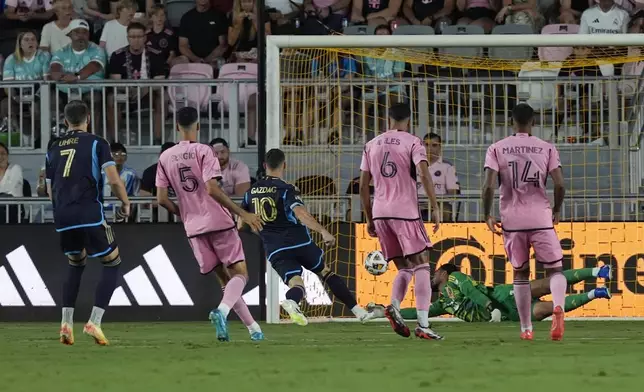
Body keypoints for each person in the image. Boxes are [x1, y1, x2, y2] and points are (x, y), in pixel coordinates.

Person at [155, 106, 264, 342]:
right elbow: (212, 188)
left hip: (193, 227)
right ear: (198, 126)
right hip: (218, 220)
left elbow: (161, 199)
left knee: (226, 283)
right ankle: (222, 312)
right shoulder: (204, 151)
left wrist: (183, 213)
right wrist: (241, 213)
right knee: (240, 276)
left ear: (176, 127)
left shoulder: (164, 157)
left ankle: (254, 330)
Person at [242, 148, 375, 326]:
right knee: (326, 272)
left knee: (296, 282)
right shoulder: (287, 189)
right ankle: (359, 312)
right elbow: (301, 214)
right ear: (285, 165)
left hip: (275, 248)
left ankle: (292, 302)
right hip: (299, 242)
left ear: (264, 166)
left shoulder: (249, 193)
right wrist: (323, 231)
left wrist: (263, 233)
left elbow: (241, 225)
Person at [45, 100, 131, 346]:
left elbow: (50, 189)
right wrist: (125, 202)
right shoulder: (97, 142)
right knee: (113, 262)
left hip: (63, 215)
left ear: (65, 121)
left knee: (76, 262)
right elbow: (114, 180)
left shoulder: (53, 145)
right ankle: (94, 322)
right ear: (88, 120)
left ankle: (65, 324)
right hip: (89, 212)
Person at [482, 103, 566, 341]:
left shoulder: (497, 148)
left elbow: (488, 185)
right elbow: (559, 183)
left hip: (512, 220)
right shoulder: (546, 148)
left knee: (520, 274)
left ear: (511, 122)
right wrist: (557, 209)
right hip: (541, 218)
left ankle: (526, 329)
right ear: (533, 122)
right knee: (555, 270)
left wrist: (486, 214)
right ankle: (558, 306)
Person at [359, 102, 442, 340]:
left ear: (388, 118)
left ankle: (394, 307)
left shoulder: (371, 144)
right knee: (423, 264)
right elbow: (424, 173)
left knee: (404, 266)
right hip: (404, 211)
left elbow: (364, 185)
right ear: (409, 119)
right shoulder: (414, 142)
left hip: (380, 211)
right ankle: (424, 325)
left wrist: (369, 217)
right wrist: (435, 206)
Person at [373, 263, 613, 322]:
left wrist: (491, 307)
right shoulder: (443, 305)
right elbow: (418, 312)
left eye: (436, 273)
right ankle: (596, 294)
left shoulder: (456, 278)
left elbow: (470, 291)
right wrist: (387, 312)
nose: (433, 276)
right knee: (548, 310)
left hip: (502, 297)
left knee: (547, 283)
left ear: (445, 274)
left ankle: (597, 270)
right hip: (509, 316)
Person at [420, 132, 459, 222]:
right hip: (417, 204)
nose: (430, 148)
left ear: (440, 147)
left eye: (434, 145)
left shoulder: (448, 167)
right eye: (426, 145)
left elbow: (453, 192)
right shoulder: (414, 166)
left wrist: (434, 203)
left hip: (439, 204)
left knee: (444, 210)